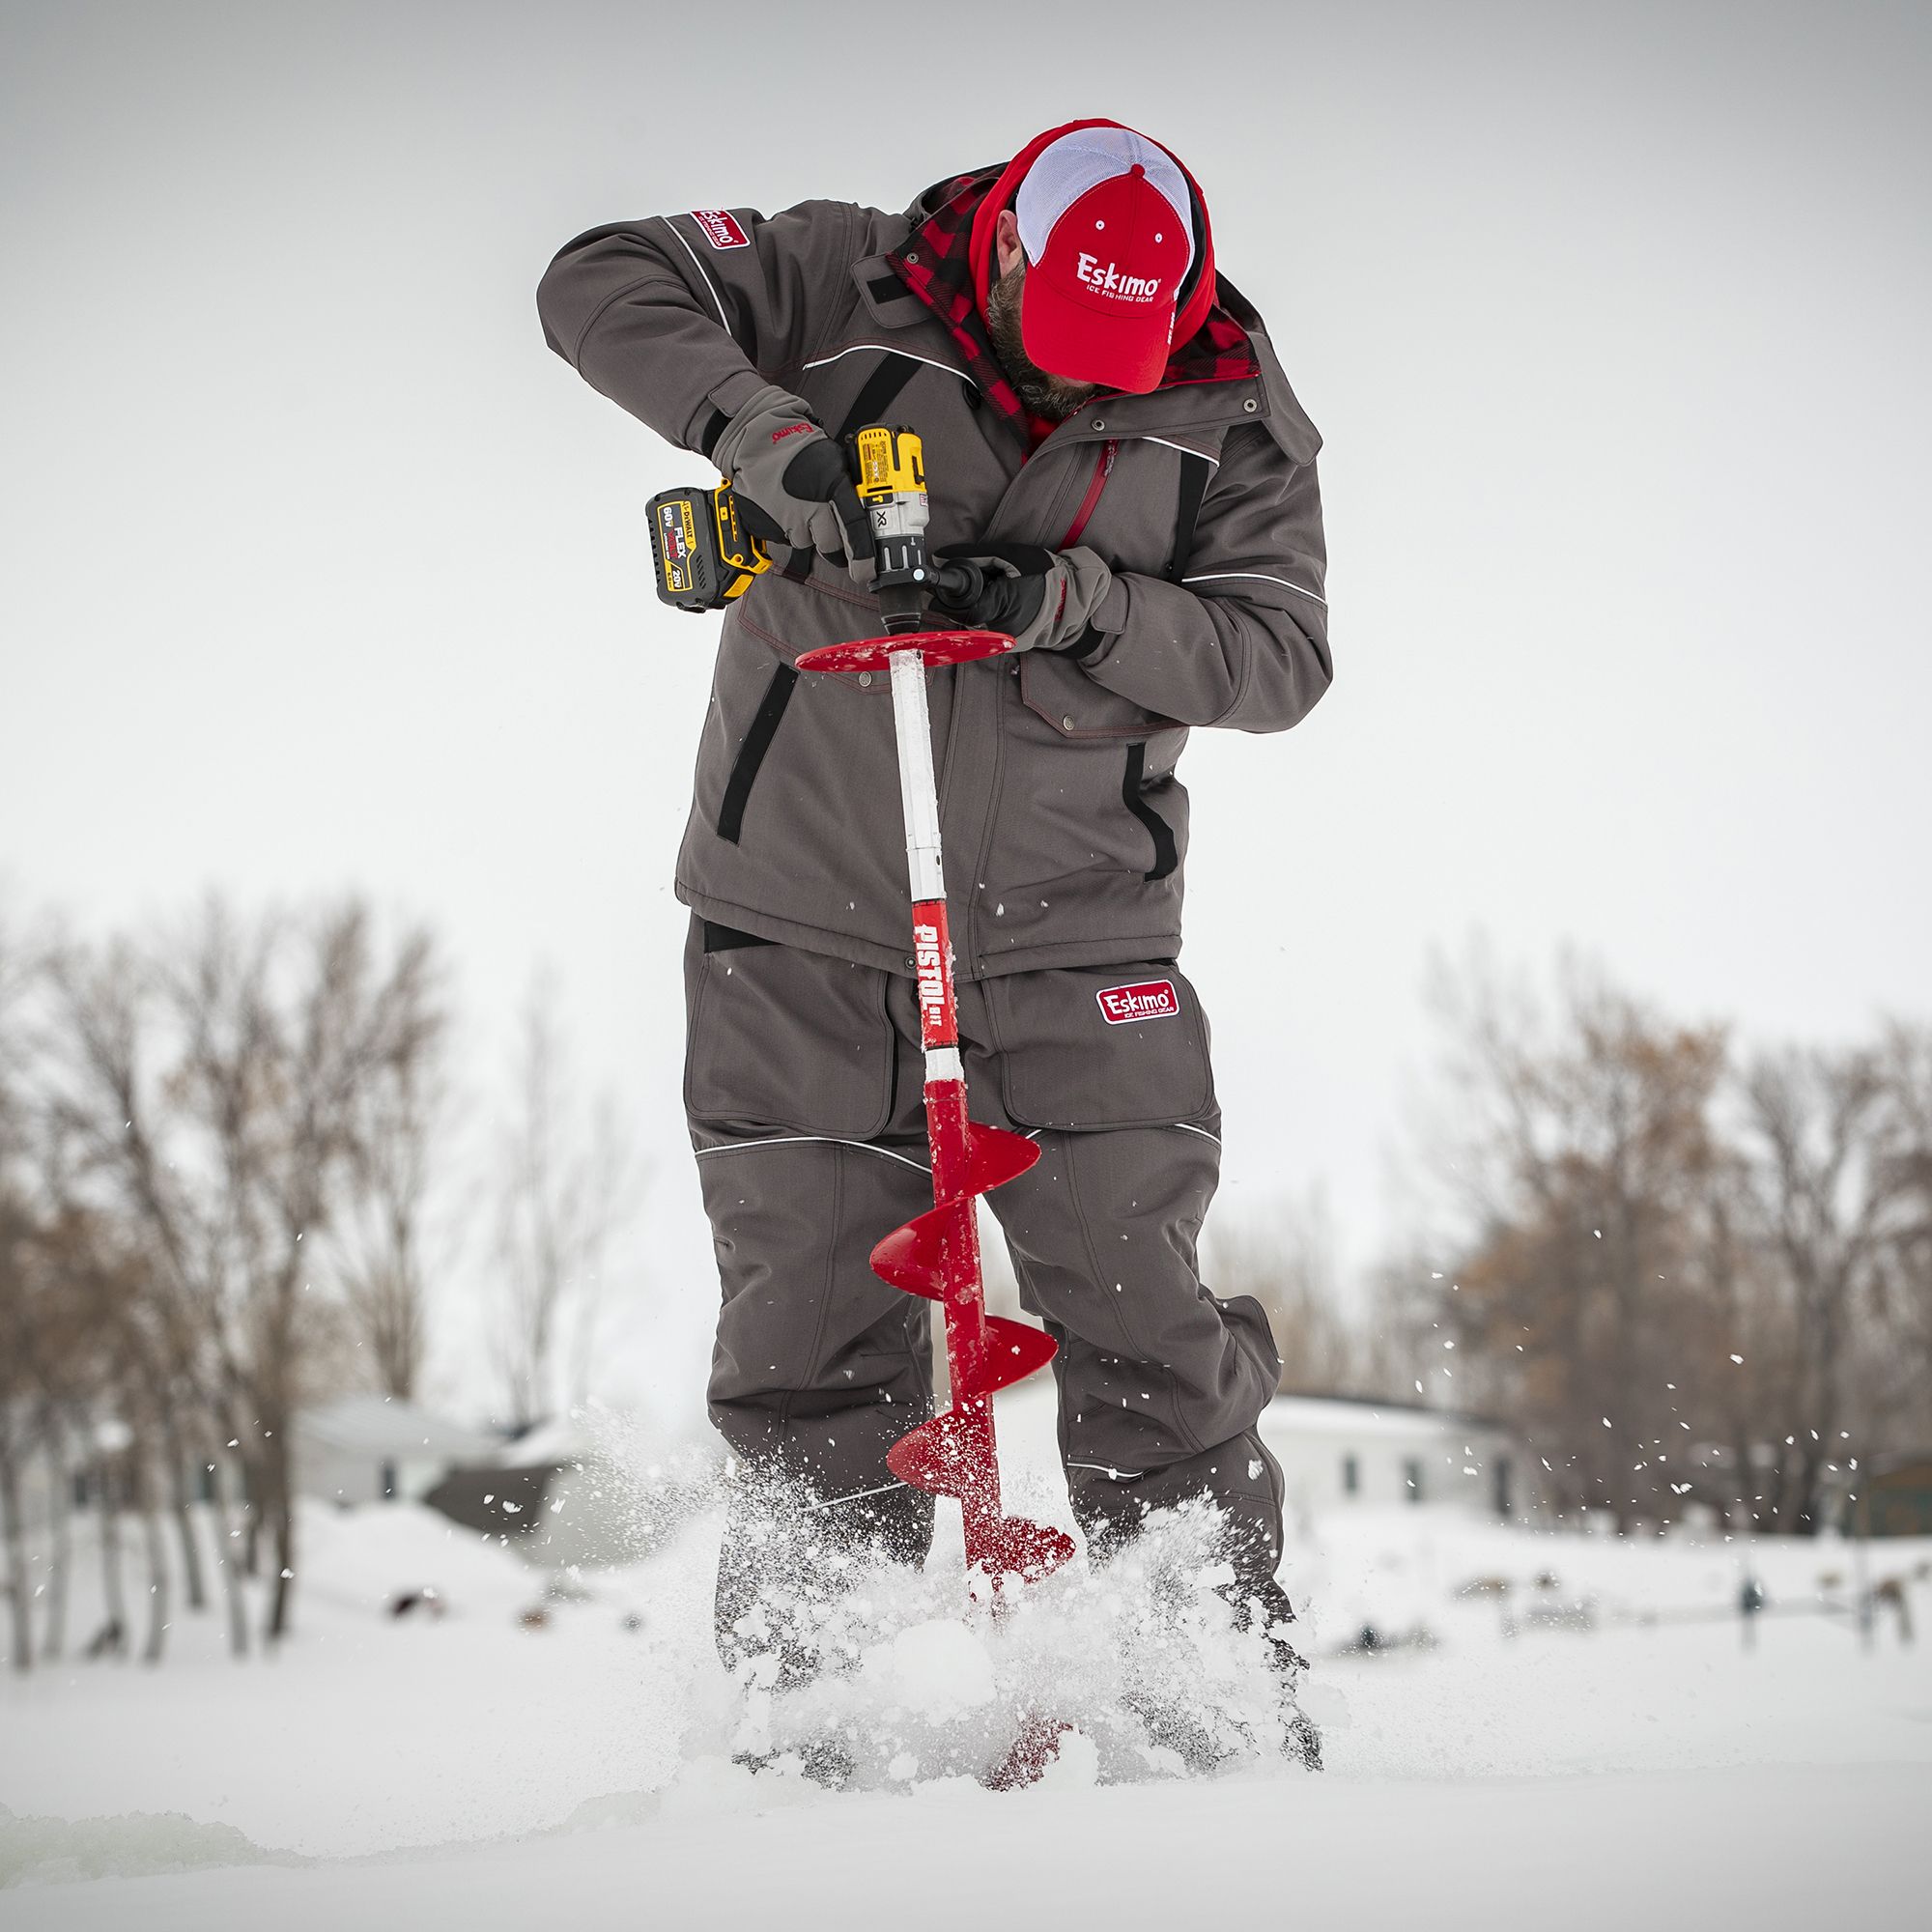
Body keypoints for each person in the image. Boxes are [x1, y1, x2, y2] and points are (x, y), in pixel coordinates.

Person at [537, 121, 1331, 1736]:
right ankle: (810, 1717)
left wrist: (1073, 602)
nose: (1089, 393)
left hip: (1078, 933)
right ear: (1010, 257)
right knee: (812, 1330)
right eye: (1064, 352)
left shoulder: (1226, 401)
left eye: (1129, 362)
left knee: (1144, 1320)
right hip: (796, 916)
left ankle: (1210, 1698)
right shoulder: (836, 273)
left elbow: (1279, 655)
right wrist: (760, 429)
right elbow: (593, 278)